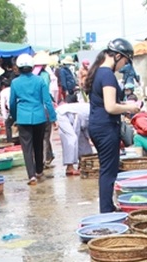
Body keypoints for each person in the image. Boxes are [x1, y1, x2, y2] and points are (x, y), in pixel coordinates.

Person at [86, 39, 142, 212]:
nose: (123, 65)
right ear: (117, 56)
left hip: (97, 125)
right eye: (125, 61)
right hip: (106, 127)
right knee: (109, 172)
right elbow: (110, 106)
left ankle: (107, 207)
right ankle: (106, 211)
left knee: (107, 169)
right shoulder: (107, 75)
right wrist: (129, 108)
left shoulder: (97, 73)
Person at [11, 53, 58, 186]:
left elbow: (12, 103)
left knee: (26, 148)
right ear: (32, 67)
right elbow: (47, 101)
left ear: (19, 68)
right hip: (39, 117)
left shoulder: (15, 83)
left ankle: (31, 176)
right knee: (38, 145)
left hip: (23, 118)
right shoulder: (39, 81)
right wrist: (53, 117)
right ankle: (39, 171)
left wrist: (15, 117)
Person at [55, 101, 92, 176]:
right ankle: (69, 167)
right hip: (63, 114)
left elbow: (85, 129)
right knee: (72, 138)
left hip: (75, 117)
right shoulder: (92, 111)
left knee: (83, 141)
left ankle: (83, 163)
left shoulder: (93, 110)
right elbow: (80, 126)